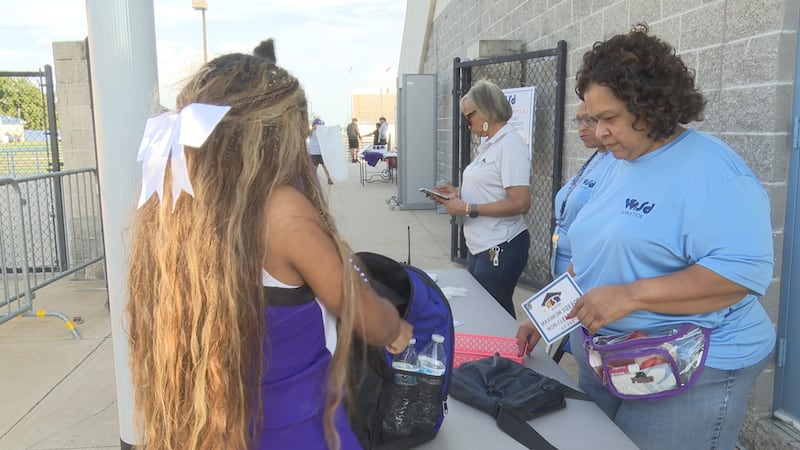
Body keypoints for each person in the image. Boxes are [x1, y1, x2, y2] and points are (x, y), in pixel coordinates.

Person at [127, 38, 412, 450]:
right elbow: (371, 319)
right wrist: (397, 328)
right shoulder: (282, 212)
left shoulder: (172, 206)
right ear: (274, 135)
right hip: (300, 434)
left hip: (216, 432)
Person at [516, 24, 775, 450]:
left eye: (608, 118)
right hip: (609, 355)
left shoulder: (715, 174)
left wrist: (632, 296)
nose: (599, 133)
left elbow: (737, 276)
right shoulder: (615, 161)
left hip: (687, 367)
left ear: (649, 105)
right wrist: (547, 315)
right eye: (593, 119)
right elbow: (598, 254)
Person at [431, 79, 531, 318]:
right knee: (491, 312)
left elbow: (520, 203)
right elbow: (490, 189)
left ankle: (503, 355)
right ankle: (502, 354)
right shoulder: (490, 145)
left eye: (469, 116)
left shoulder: (510, 145)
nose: (467, 124)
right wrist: (457, 193)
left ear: (487, 109)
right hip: (481, 245)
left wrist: (467, 207)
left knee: (491, 314)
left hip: (500, 244)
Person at [309, 117, 334, 185]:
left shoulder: (321, 132)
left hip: (322, 152)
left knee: (325, 166)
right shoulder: (311, 132)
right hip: (314, 152)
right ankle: (312, 180)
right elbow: (307, 133)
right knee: (314, 167)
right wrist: (314, 127)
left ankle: (329, 179)